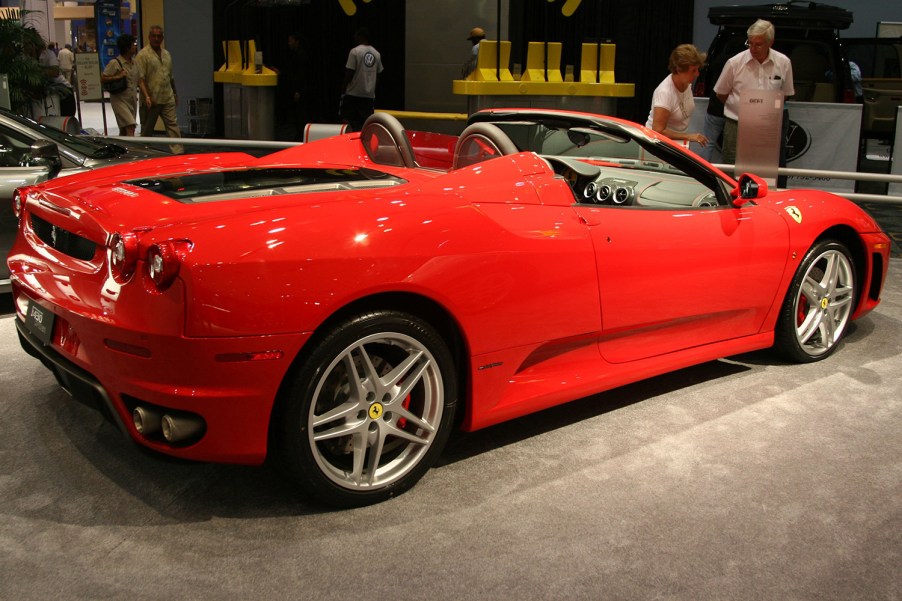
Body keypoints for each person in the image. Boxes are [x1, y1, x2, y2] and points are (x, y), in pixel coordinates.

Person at [713, 19, 794, 164]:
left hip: (767, 126)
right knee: (732, 167)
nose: (753, 48)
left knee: (765, 167)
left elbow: (785, 93)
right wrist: (741, 109)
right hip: (737, 124)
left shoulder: (784, 63)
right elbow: (721, 93)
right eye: (750, 43)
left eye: (758, 44)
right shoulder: (735, 62)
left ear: (770, 42)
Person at [645, 44, 708, 150]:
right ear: (679, 70)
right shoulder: (665, 93)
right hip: (659, 145)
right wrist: (689, 136)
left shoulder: (687, 83)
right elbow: (658, 130)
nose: (697, 74)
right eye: (693, 70)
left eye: (697, 69)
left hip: (676, 143)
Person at [136, 25, 183, 153]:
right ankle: (143, 153)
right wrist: (147, 96)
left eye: (159, 36)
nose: (156, 39)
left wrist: (175, 93)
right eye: (154, 36)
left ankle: (178, 152)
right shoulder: (142, 55)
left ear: (162, 38)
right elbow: (140, 79)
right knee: (147, 129)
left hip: (167, 97)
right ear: (149, 37)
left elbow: (170, 76)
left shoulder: (167, 54)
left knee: (173, 125)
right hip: (151, 99)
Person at [340, 28, 383, 132]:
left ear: (361, 36)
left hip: (353, 93)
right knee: (365, 125)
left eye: (356, 35)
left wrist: (343, 86)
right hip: (368, 96)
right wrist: (372, 88)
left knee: (350, 123)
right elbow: (379, 74)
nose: (354, 37)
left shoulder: (355, 52)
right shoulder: (376, 54)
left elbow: (350, 72)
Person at [101, 34, 138, 136]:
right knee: (130, 125)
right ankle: (132, 150)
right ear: (127, 47)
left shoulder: (134, 62)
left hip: (131, 100)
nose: (135, 47)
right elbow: (103, 78)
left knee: (124, 129)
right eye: (133, 45)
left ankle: (121, 148)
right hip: (119, 100)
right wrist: (117, 77)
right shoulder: (115, 63)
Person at [280, 32, 311, 141]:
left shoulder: (301, 55)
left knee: (300, 114)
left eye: (290, 41)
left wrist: (298, 91)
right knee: (297, 114)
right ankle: (299, 134)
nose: (289, 43)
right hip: (296, 89)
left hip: (300, 90)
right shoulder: (295, 54)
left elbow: (301, 75)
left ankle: (301, 135)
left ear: (297, 41)